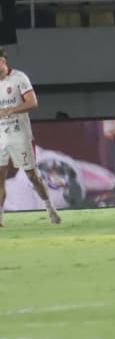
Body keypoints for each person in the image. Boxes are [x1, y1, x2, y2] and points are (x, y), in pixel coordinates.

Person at [0, 48, 62, 226]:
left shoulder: (19, 78)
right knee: (0, 177)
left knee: (32, 176)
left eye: (0, 62)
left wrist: (11, 110)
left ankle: (50, 208)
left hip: (19, 135)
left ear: (4, 62)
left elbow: (33, 102)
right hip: (0, 135)